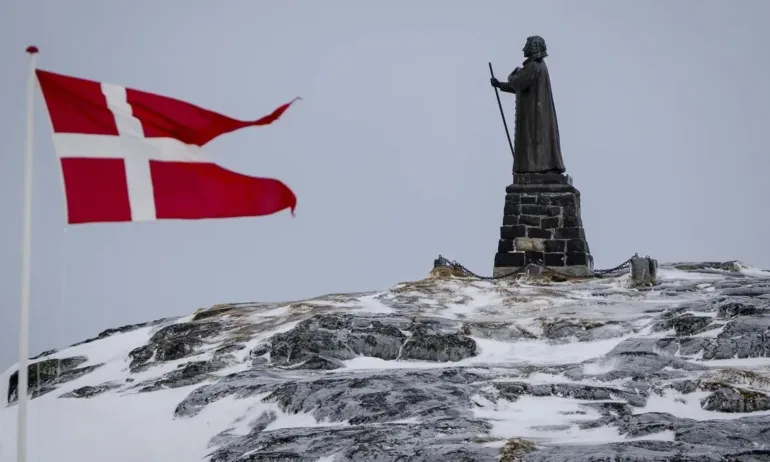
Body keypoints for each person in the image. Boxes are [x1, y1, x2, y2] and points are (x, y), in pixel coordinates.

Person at [490, 35, 566, 174]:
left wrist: (513, 75)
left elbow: (517, 82)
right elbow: (521, 86)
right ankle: (538, 166)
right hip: (535, 112)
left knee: (534, 140)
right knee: (536, 140)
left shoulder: (533, 66)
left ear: (534, 47)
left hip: (533, 114)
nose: (523, 48)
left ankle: (536, 167)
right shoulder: (539, 65)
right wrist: (500, 85)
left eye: (526, 45)